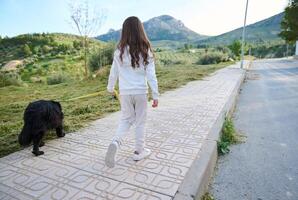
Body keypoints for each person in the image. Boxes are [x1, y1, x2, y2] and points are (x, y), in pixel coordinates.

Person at [105, 16, 159, 168]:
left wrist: (110, 88)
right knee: (140, 122)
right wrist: (155, 95)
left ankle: (116, 142)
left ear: (124, 31)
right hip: (141, 92)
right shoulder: (145, 48)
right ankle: (139, 152)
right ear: (140, 30)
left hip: (125, 93)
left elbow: (113, 72)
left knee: (126, 120)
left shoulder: (119, 50)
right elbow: (151, 75)